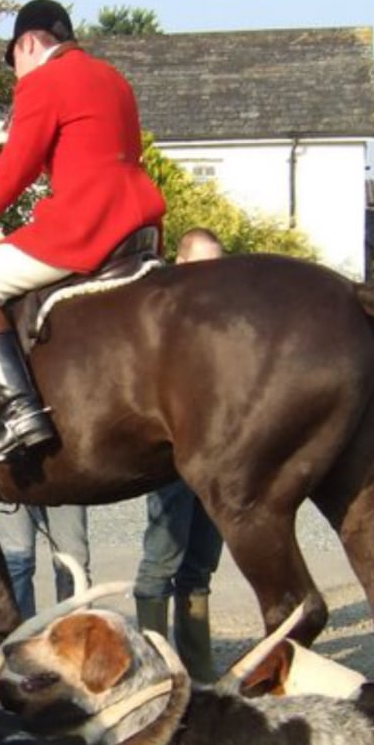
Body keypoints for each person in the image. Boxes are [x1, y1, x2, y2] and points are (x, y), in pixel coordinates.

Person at [0, 0, 167, 464]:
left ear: (27, 43)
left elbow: (15, 170)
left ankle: (19, 410)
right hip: (140, 226)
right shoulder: (112, 77)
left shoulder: (44, 81)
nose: (16, 75)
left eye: (14, 62)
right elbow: (88, 142)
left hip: (86, 226)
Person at [135, 227, 228, 679]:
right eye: (203, 266)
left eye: (218, 267)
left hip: (217, 457)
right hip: (172, 456)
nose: (212, 277)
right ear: (181, 263)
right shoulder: (162, 316)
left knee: (202, 563)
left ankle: (198, 666)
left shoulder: (226, 321)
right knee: (161, 560)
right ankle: (153, 666)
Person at [0, 503, 91, 619]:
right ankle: (19, 630)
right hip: (13, 490)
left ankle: (75, 626)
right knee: (17, 562)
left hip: (64, 488)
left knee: (73, 565)